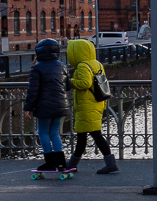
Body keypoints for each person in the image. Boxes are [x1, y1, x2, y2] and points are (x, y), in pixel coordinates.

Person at [64, 38, 118, 174]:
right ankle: (72, 164)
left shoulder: (83, 65)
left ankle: (109, 164)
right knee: (87, 136)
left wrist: (69, 82)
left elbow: (85, 83)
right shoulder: (97, 64)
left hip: (86, 106)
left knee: (93, 135)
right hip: (96, 103)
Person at [23, 38, 69, 173]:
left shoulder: (38, 67)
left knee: (43, 132)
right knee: (55, 132)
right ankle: (61, 163)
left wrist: (28, 108)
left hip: (44, 105)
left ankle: (49, 162)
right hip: (60, 104)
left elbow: (33, 90)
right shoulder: (62, 65)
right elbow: (67, 86)